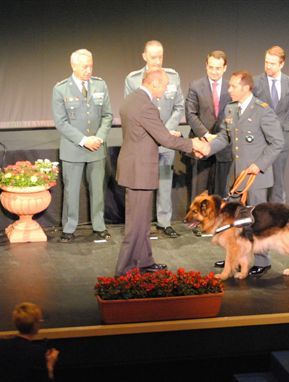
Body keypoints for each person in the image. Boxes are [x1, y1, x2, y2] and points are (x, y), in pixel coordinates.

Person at [116, 67, 209, 276]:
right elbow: (164, 139)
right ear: (154, 83)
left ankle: (145, 261)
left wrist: (168, 134)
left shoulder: (131, 99)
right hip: (139, 171)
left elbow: (147, 134)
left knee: (142, 222)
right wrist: (193, 144)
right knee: (136, 225)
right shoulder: (146, 106)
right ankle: (124, 271)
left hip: (135, 167)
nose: (167, 89)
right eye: (165, 85)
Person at [209, 71, 284, 276]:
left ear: (245, 88)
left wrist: (259, 164)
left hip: (255, 178)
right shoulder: (231, 109)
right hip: (236, 176)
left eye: (233, 86)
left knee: (257, 220)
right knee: (233, 221)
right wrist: (206, 148)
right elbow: (224, 137)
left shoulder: (262, 111)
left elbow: (277, 143)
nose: (229, 89)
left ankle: (262, 259)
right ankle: (233, 257)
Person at [124, 40, 184, 238]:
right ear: (144, 56)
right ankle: (142, 223)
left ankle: (164, 221)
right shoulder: (133, 80)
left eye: (161, 56)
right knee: (142, 182)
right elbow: (131, 111)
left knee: (165, 181)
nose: (157, 61)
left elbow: (178, 108)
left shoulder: (172, 77)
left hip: (166, 140)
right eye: (153, 57)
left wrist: (164, 133)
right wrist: (157, 134)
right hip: (144, 142)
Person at [52, 48, 113, 243]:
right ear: (73, 66)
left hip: (96, 147)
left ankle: (99, 226)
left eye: (91, 66)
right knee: (71, 191)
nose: (89, 70)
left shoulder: (100, 85)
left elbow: (107, 115)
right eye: (84, 66)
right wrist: (83, 140)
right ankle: (69, 228)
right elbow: (61, 122)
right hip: (74, 148)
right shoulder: (61, 89)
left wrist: (99, 138)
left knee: (97, 190)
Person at [252, 45, 289, 204]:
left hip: (282, 139)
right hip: (261, 140)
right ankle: (258, 215)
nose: (268, 66)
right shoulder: (256, 82)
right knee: (259, 180)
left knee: (278, 181)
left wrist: (279, 128)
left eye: (272, 63)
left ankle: (278, 217)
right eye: (266, 62)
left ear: (282, 64)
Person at [185, 50, 232, 200]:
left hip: (223, 146)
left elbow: (235, 115)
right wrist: (206, 135)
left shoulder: (231, 87)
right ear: (206, 66)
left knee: (220, 192)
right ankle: (198, 222)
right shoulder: (196, 86)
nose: (214, 71)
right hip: (201, 144)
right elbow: (190, 115)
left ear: (225, 68)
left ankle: (218, 222)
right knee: (199, 191)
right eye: (211, 67)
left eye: (218, 68)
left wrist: (219, 138)